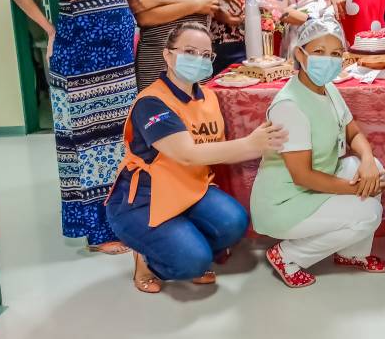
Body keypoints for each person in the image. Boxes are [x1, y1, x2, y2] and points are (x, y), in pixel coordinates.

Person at [1, 0, 137, 254]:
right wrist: (48, 29)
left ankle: (119, 219)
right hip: (82, 58)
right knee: (89, 141)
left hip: (117, 59)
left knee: (116, 140)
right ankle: (97, 231)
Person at [106, 22, 287, 293]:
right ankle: (147, 259)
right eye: (190, 51)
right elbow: (187, 154)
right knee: (193, 261)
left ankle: (183, 239)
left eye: (205, 55)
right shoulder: (152, 102)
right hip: (146, 199)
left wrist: (259, 145)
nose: (198, 60)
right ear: (168, 55)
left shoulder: (209, 97)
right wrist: (251, 143)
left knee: (234, 222)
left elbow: (215, 148)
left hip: (190, 189)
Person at [250, 14, 385, 288]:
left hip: (314, 185)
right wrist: (359, 189)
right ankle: (287, 256)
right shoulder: (289, 105)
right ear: (300, 55)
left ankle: (351, 253)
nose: (328, 59)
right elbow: (302, 176)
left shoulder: (327, 89)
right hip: (285, 201)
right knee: (369, 212)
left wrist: (369, 161)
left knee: (375, 171)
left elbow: (354, 133)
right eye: (319, 52)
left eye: (335, 53)